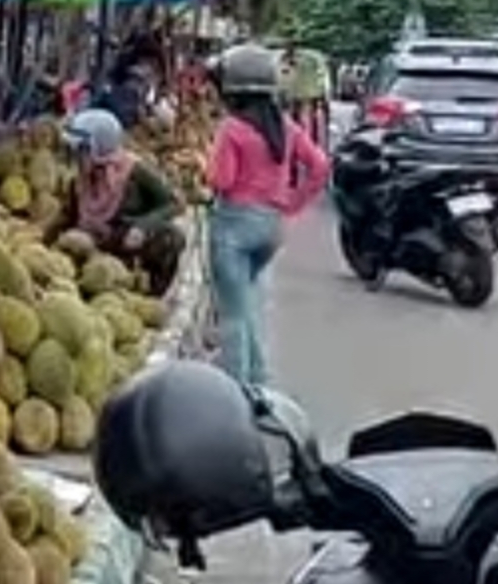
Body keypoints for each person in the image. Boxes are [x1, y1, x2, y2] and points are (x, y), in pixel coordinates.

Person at [207, 43, 330, 386]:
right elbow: (320, 166)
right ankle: (260, 383)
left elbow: (222, 180)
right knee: (252, 306)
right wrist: (292, 202)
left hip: (234, 228)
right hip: (271, 228)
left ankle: (235, 392)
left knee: (232, 316)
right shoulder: (287, 126)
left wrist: (208, 170)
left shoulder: (232, 128)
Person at [47, 108, 185, 296]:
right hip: (95, 249)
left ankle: (151, 293)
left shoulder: (135, 172)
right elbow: (65, 216)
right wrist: (42, 241)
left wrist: (142, 226)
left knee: (171, 237)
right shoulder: (79, 180)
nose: (76, 158)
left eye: (82, 151)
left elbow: (174, 203)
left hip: (127, 244)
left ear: (100, 149)